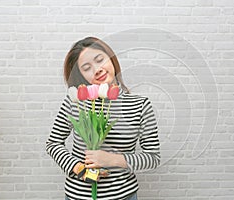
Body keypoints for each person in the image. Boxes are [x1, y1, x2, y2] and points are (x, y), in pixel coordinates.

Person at [46, 37, 161, 200]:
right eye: (87, 68)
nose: (97, 69)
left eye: (100, 60)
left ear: (112, 59)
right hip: (79, 196)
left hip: (124, 195)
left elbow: (152, 158)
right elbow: (53, 143)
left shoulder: (140, 105)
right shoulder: (76, 102)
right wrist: (78, 168)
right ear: (82, 75)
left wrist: (112, 159)